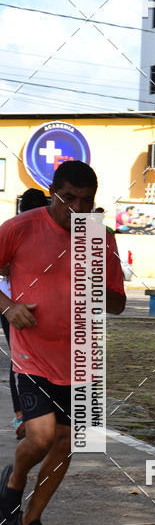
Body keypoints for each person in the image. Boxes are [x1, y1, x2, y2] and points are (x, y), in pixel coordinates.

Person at [0, 161, 126, 525]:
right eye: (68, 198)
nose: (77, 208)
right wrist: (8, 307)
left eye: (85, 201)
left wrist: (97, 282)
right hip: (32, 355)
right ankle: (14, 479)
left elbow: (118, 303)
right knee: (41, 438)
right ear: (53, 193)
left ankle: (30, 520)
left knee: (69, 442)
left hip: (82, 357)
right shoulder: (20, 228)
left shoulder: (102, 237)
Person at [0, 188, 50, 439]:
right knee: (20, 355)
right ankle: (23, 414)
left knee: (28, 355)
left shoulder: (53, 231)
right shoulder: (14, 229)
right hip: (11, 303)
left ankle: (32, 411)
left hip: (33, 302)